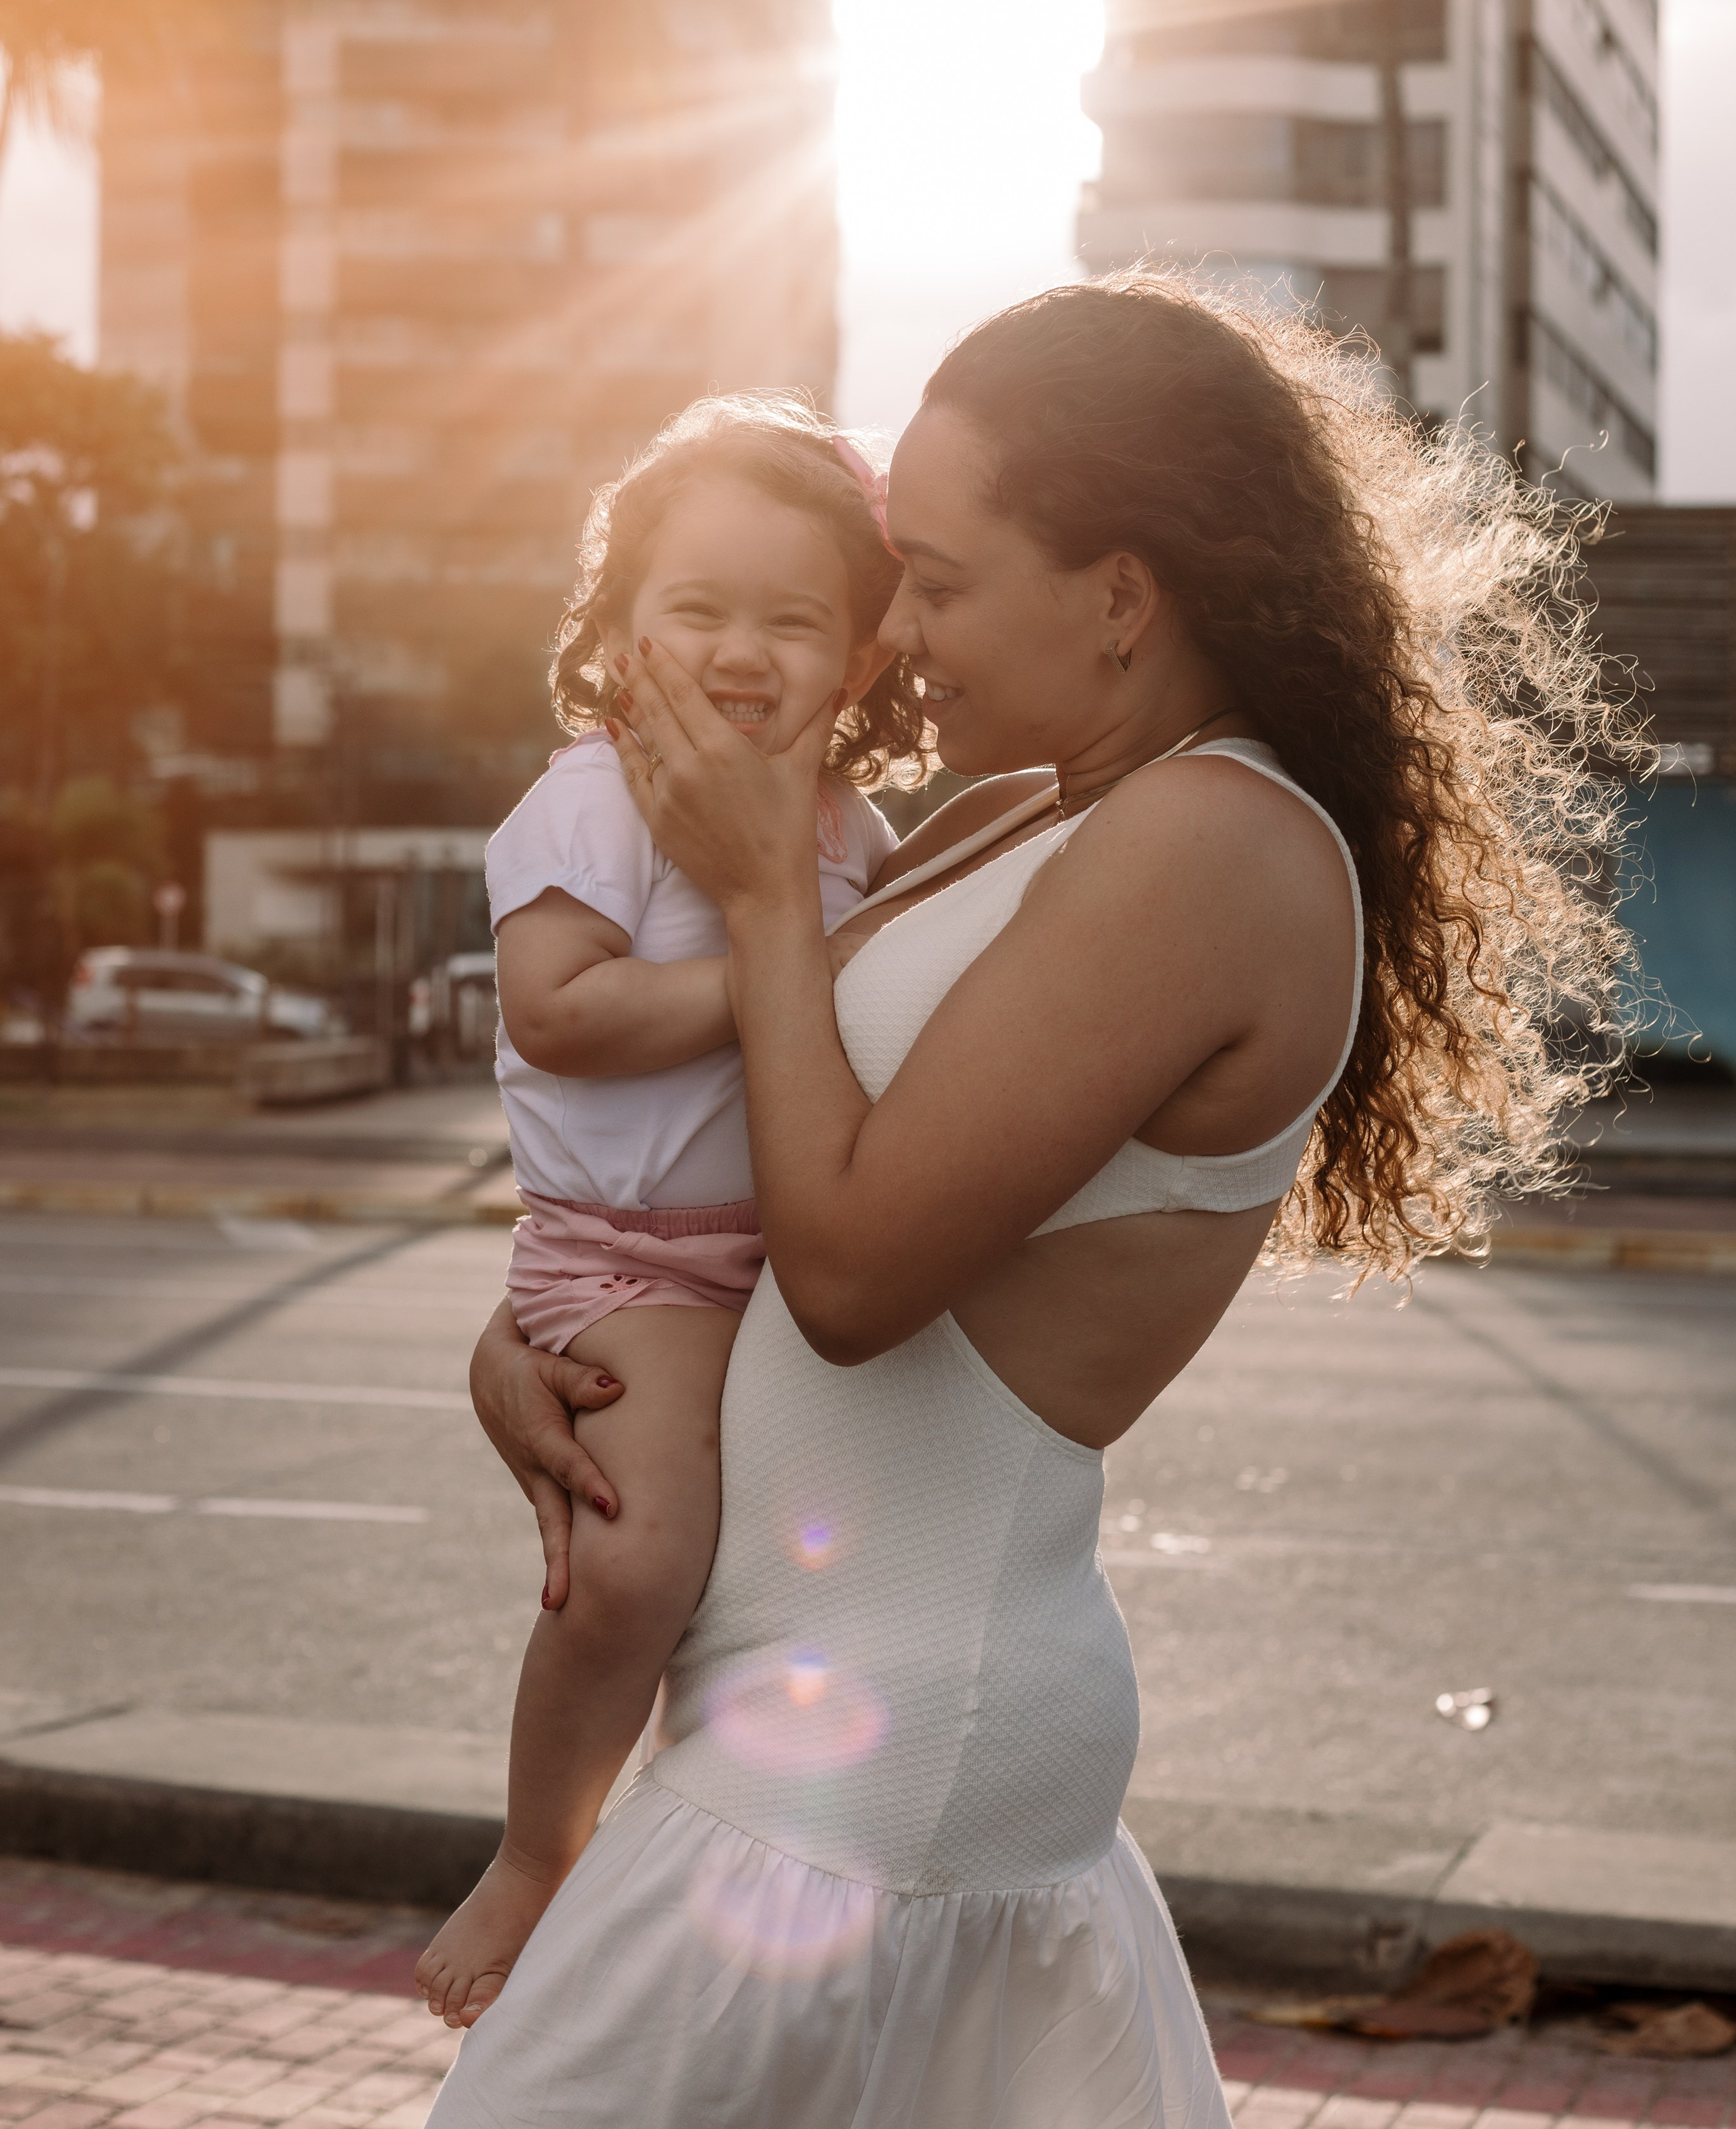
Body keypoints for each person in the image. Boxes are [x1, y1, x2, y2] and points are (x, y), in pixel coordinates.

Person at [437, 274, 1635, 2127]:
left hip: (874, 1774)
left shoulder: (1219, 846)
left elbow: (849, 1274)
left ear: (1120, 593)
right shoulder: (1036, 812)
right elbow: (757, 1156)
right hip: (813, 1743)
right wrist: (534, 1338)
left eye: (940, 575)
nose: (897, 635)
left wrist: (766, 897)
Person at [416, 395, 922, 2026]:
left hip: (780, 1267)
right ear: (620, 635)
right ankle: (533, 1855)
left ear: (856, 661)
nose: (738, 649)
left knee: (758, 1608)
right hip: (623, 1261)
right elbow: (558, 1010)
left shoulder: (857, 837)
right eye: (694, 607)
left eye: (793, 619)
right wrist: (784, 965)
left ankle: (683, 1869)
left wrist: (820, 936)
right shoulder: (589, 803)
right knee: (635, 1574)